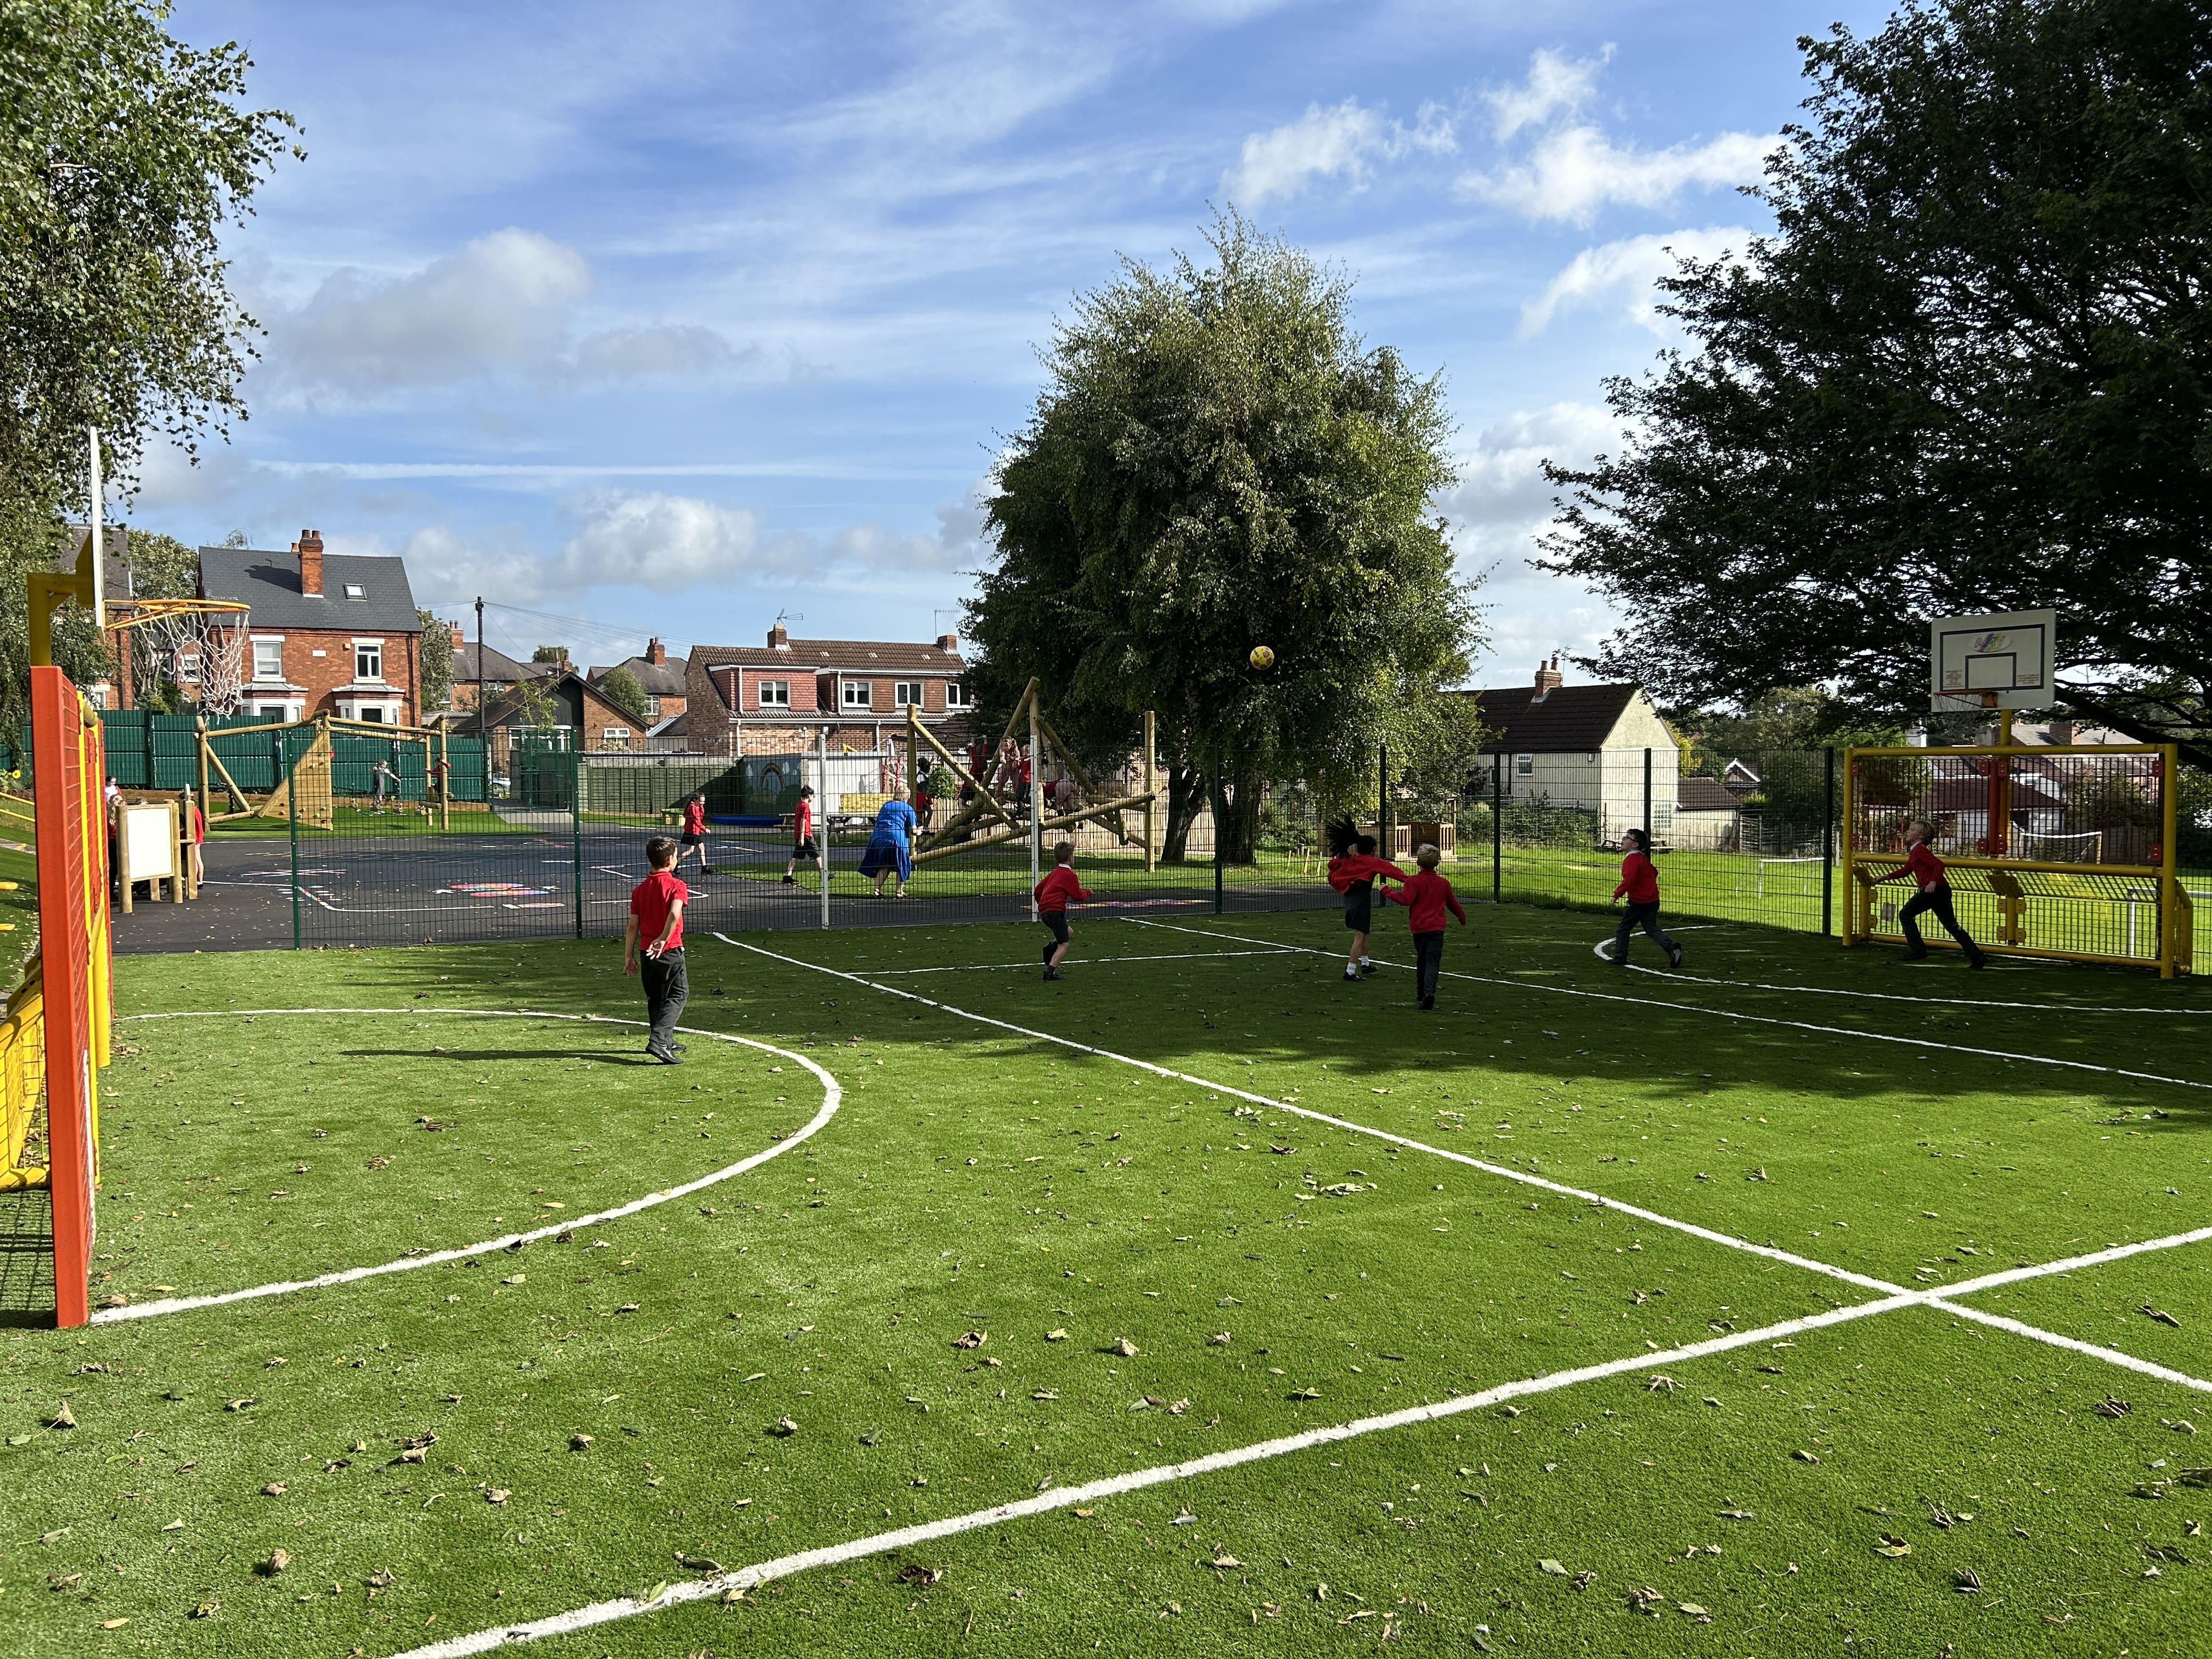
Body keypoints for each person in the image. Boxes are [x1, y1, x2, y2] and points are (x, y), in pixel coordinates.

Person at [625, 835, 689, 1063]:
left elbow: (633, 925)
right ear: (671, 860)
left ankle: (665, 1040)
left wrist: (629, 956)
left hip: (646, 952)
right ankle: (660, 1041)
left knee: (656, 997)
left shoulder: (640, 890)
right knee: (679, 994)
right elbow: (674, 914)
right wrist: (663, 938)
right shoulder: (677, 885)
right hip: (669, 949)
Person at [1891, 819, 1988, 968]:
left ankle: (1918, 950)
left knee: (1905, 914)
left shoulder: (1920, 851)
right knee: (1951, 925)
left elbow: (1939, 864)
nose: (1907, 832)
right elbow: (1906, 871)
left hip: (1933, 891)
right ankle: (1976, 956)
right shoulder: (1916, 851)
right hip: (1941, 890)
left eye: (1912, 829)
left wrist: (1932, 882)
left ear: (1921, 835)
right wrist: (1886, 877)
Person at [1380, 843, 1465, 1010]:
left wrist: (1387, 891)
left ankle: (1421, 992)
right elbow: (1452, 904)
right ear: (1437, 863)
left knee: (1422, 960)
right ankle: (1429, 992)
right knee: (1433, 961)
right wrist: (1461, 917)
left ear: (1417, 862)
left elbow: (1406, 900)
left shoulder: (1414, 881)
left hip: (1420, 928)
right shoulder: (1443, 883)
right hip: (1437, 929)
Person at [1325, 816, 1408, 981]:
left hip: (1352, 901)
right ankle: (1350, 971)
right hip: (1361, 902)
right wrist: (1412, 880)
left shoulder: (1350, 860)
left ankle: (1365, 964)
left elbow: (1332, 865)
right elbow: (1393, 872)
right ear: (1374, 849)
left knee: (1365, 932)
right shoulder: (1372, 862)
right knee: (1359, 936)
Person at [1606, 827, 1683, 968]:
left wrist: (1616, 895)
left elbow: (1629, 880)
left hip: (1638, 901)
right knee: (1651, 928)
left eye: (1627, 838)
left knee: (1623, 929)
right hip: (1652, 900)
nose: (1623, 840)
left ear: (1635, 844)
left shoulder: (1632, 859)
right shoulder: (1642, 858)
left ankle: (1620, 957)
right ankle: (1671, 948)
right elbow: (1654, 872)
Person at [1034, 839, 1093, 981]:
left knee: (1069, 932)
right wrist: (1088, 892)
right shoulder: (1069, 875)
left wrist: (1042, 904)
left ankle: (1050, 949)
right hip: (1055, 911)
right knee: (1064, 945)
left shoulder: (1054, 873)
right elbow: (1078, 896)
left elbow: (1038, 890)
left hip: (1045, 912)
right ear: (1071, 858)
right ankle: (1050, 973)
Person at [858, 785, 917, 897]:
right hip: (896, 837)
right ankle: (899, 891)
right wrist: (919, 831)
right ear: (907, 796)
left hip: (879, 837)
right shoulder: (908, 808)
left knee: (886, 864)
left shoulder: (886, 806)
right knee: (903, 863)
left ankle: (877, 890)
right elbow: (914, 830)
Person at [782, 783, 822, 887]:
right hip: (806, 835)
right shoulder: (805, 807)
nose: (813, 798)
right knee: (817, 854)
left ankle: (788, 876)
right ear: (809, 796)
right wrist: (802, 838)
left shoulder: (799, 805)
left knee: (796, 856)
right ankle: (823, 874)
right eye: (813, 796)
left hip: (800, 834)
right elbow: (802, 822)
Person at [676, 789, 710, 876]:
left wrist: (701, 807)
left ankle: (704, 868)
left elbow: (701, 816)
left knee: (702, 849)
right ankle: (675, 866)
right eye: (701, 801)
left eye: (704, 802)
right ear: (695, 800)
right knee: (690, 851)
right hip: (692, 832)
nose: (703, 803)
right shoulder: (692, 807)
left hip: (696, 831)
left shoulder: (697, 807)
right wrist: (704, 828)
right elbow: (696, 820)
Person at [178, 786, 206, 886]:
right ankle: (199, 880)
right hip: (197, 837)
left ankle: (195, 880)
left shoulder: (192, 811)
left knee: (194, 859)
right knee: (197, 859)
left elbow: (195, 825)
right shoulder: (195, 810)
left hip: (195, 837)